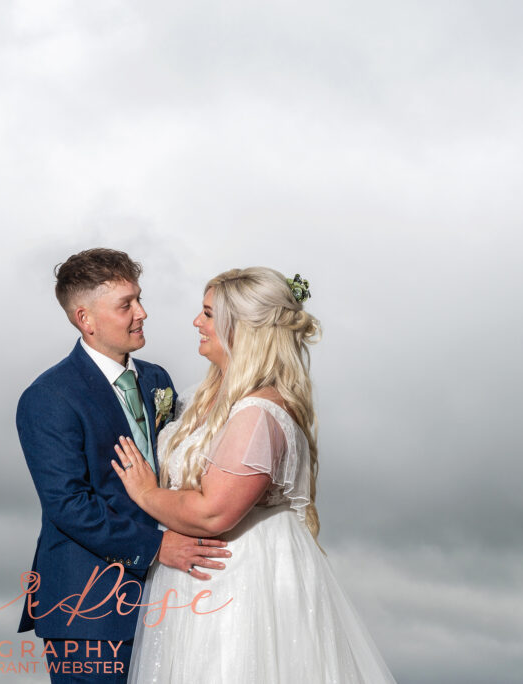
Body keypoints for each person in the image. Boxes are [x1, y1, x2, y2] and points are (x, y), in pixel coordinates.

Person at [112, 267, 397, 683]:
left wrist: (145, 492)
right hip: (201, 580)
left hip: (241, 584)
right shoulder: (203, 396)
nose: (197, 322)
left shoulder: (258, 412)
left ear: (242, 329)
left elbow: (214, 512)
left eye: (208, 314)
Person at [16, 248, 231, 683]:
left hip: (171, 599)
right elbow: (68, 505)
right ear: (86, 319)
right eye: (126, 305)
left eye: (139, 298)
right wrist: (155, 548)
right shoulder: (48, 398)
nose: (142, 313)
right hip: (90, 608)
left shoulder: (157, 380)